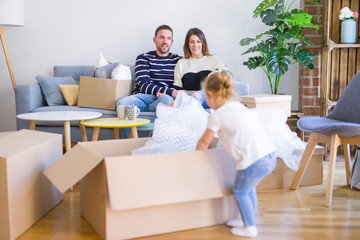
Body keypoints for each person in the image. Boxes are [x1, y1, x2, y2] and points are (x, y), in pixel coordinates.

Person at [196, 70, 277, 238]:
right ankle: (245, 219)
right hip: (269, 155)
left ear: (210, 95)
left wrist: (196, 159)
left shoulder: (216, 116)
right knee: (249, 188)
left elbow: (204, 142)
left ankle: (249, 227)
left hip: (252, 161)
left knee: (240, 191)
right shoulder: (238, 107)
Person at [116, 25, 180, 113]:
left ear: (171, 42)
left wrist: (166, 94)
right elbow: (144, 85)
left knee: (167, 100)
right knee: (122, 103)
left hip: (164, 98)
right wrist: (171, 92)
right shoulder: (143, 58)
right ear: (155, 40)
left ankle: (152, 126)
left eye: (168, 38)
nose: (165, 41)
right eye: (161, 37)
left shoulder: (176, 60)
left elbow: (180, 83)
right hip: (142, 98)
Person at [172, 27, 228, 108]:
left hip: (209, 98)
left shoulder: (212, 59)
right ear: (187, 44)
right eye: (192, 42)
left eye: (198, 41)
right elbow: (177, 87)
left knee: (197, 94)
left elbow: (228, 75)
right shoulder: (181, 63)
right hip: (188, 99)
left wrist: (217, 71)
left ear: (203, 43)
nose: (195, 45)